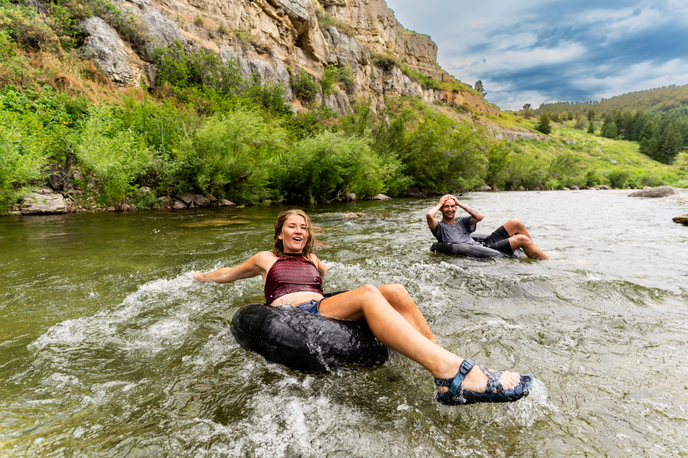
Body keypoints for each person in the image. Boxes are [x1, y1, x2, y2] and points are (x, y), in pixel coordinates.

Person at [193, 209, 533, 405]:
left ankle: (437, 354)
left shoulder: (315, 261)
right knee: (370, 293)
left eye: (303, 227)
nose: (298, 230)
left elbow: (324, 289)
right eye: (291, 226)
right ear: (280, 233)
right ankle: (450, 375)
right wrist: (202, 278)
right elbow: (227, 273)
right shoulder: (265, 259)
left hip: (320, 308)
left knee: (395, 291)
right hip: (289, 315)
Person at [427, 195, 549, 260]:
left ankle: (534, 251)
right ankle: (549, 261)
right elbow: (429, 215)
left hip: (484, 245)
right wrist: (440, 203)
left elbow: (480, 216)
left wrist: (459, 203)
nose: (450, 209)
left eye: (452, 206)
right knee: (522, 239)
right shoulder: (438, 226)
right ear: (442, 209)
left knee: (516, 222)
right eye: (446, 207)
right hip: (481, 251)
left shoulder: (461, 221)